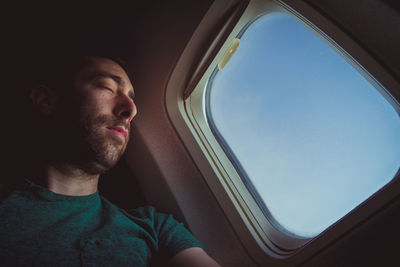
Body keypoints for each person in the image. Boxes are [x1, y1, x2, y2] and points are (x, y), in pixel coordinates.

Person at [0, 54, 221, 267]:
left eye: (131, 98)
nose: (131, 110)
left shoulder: (156, 227)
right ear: (46, 100)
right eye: (107, 87)